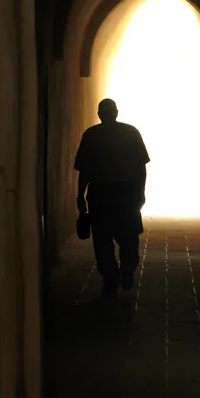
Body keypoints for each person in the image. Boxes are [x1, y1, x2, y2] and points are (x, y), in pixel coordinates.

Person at [74, 99, 150, 294]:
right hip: (127, 194)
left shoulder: (91, 135)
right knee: (129, 238)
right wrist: (140, 193)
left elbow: (84, 171)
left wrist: (80, 195)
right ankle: (126, 268)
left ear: (99, 113)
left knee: (102, 240)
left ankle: (110, 276)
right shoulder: (130, 133)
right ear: (116, 112)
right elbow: (141, 168)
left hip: (100, 195)